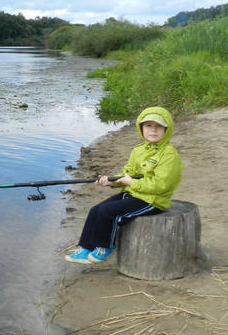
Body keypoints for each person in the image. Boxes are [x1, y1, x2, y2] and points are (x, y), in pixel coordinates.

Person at [66, 106, 183, 264]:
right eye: (148, 126)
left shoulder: (169, 154)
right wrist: (110, 181)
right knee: (95, 210)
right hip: (133, 193)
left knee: (108, 212)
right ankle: (85, 247)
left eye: (158, 126)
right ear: (141, 128)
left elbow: (161, 185)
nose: (153, 131)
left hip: (152, 200)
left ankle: (105, 246)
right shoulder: (139, 150)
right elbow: (128, 173)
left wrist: (132, 182)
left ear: (166, 129)